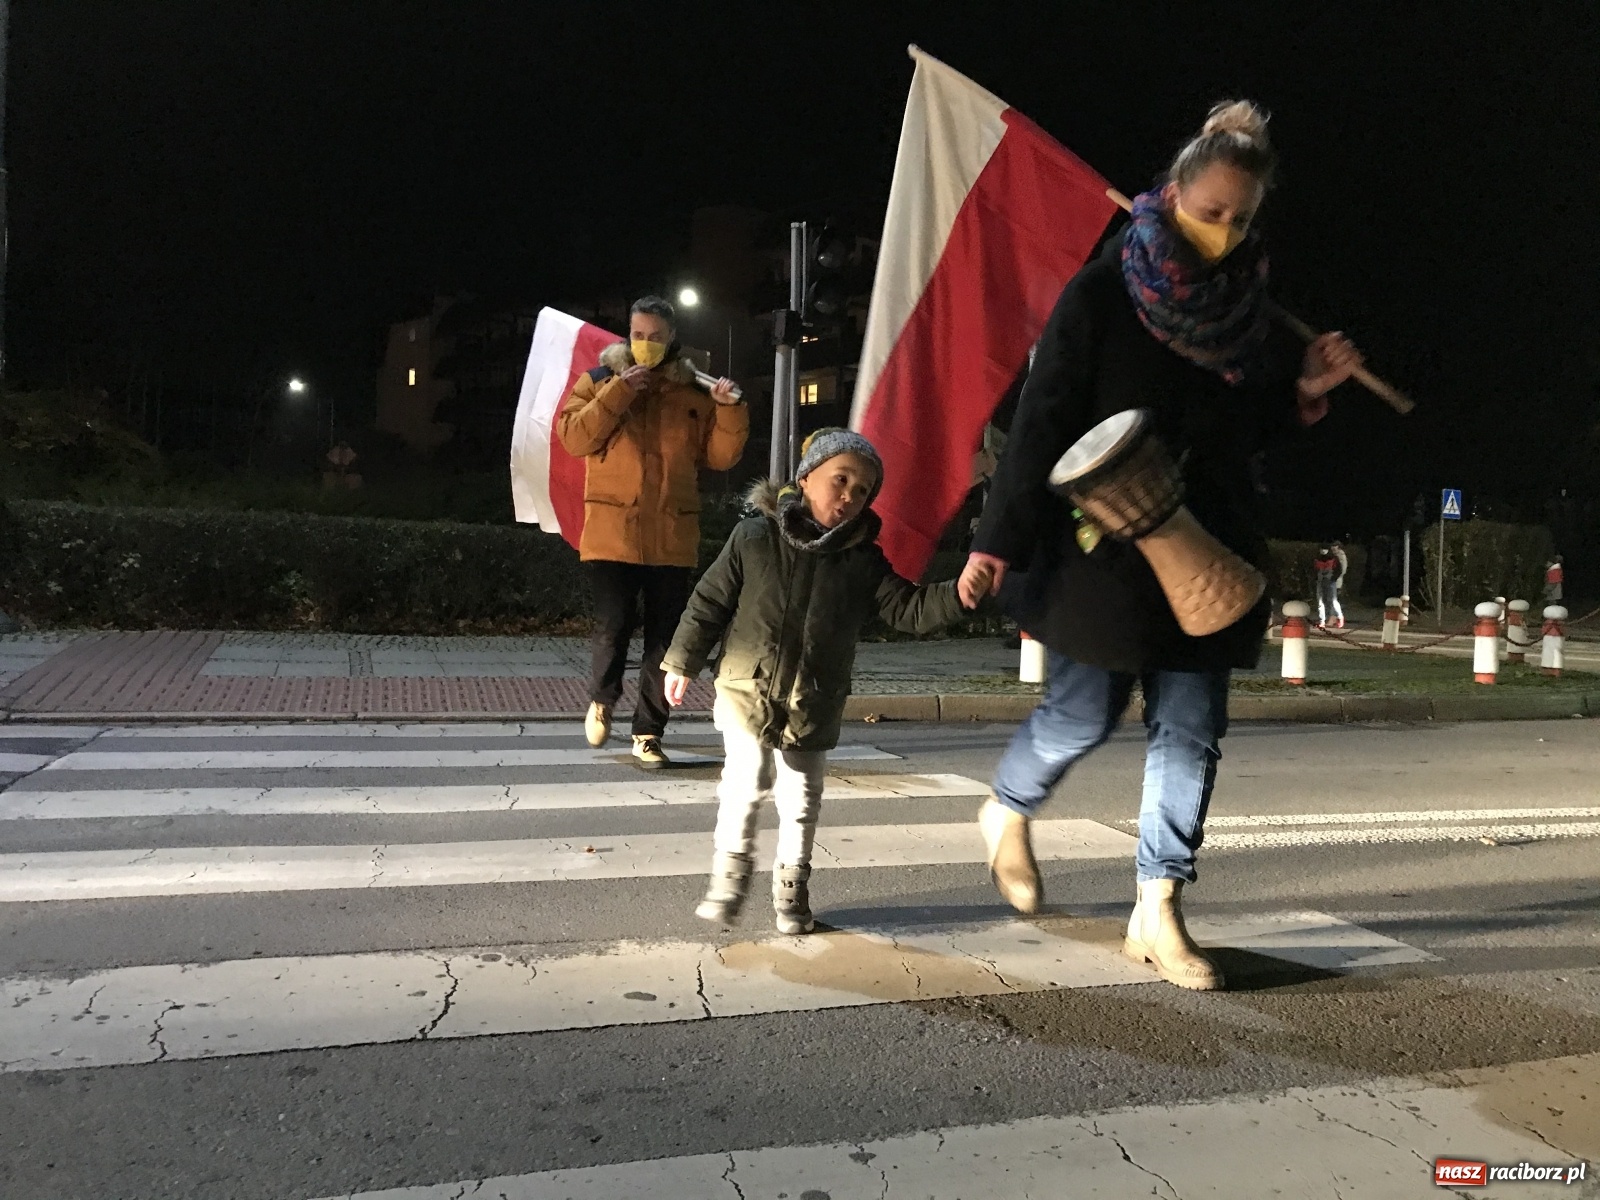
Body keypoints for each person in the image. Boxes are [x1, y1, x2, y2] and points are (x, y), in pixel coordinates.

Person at [958, 101, 1364, 991]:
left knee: (1192, 730)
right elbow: (1042, 418)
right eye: (1210, 211)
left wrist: (1300, 390)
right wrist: (997, 542)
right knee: (1081, 715)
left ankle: (1158, 906)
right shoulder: (1104, 291)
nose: (1223, 232)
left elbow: (1243, 431)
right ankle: (1008, 807)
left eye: (1241, 219)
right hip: (1098, 551)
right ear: (1172, 193)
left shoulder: (1250, 312)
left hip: (1208, 546)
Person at [662, 429, 974, 934]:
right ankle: (730, 874)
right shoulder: (754, 537)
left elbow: (907, 609)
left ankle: (792, 891)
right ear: (806, 478)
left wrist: (958, 593)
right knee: (749, 779)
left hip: (814, 697)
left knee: (803, 794)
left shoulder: (861, 559)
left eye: (863, 490)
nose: (850, 495)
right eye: (841, 479)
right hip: (748, 687)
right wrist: (681, 661)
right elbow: (709, 602)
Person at [557, 296, 748, 768]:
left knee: (665, 643)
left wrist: (728, 410)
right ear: (628, 335)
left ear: (670, 338)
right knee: (613, 625)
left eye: (655, 336)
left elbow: (721, 458)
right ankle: (602, 699)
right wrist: (620, 391)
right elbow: (575, 437)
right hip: (611, 531)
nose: (646, 344)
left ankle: (648, 732)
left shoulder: (693, 391)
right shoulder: (601, 380)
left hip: (671, 534)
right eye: (638, 335)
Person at [1314, 545, 1344, 629]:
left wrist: (1333, 578)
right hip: (1320, 582)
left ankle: (1340, 616)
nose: (1323, 551)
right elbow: (1313, 570)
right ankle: (1322, 621)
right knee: (1320, 602)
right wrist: (1316, 578)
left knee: (1333, 600)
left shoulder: (1334, 559)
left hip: (1331, 582)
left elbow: (1339, 570)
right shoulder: (1317, 559)